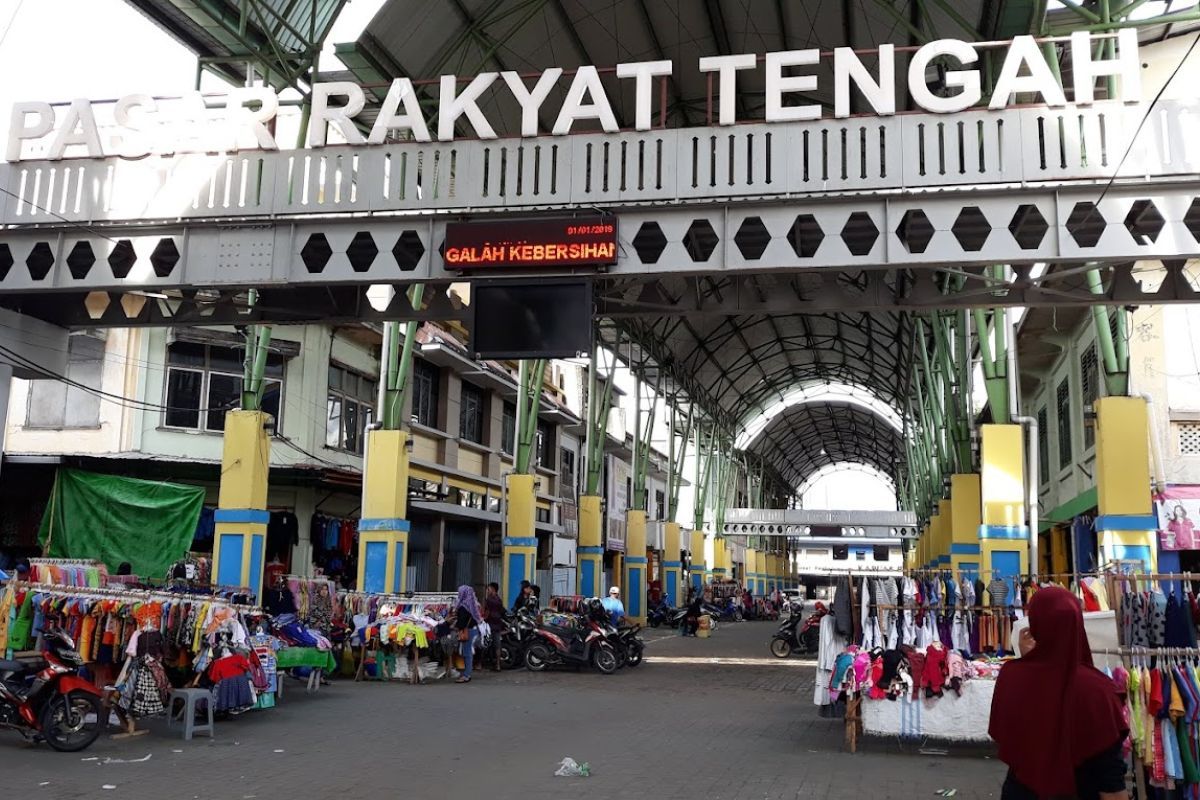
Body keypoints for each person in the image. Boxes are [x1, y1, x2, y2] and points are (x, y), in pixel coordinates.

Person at [989, 586, 1129, 800]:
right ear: (1078, 624)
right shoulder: (1099, 692)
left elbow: (1009, 737)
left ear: (1034, 624)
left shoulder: (1010, 677)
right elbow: (1110, 782)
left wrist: (1030, 659)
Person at [454, 585, 483, 683]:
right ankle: (467, 673)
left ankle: (466, 675)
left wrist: (455, 627)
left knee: (467, 653)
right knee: (468, 652)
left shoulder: (463, 607)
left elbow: (462, 622)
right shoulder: (473, 604)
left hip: (468, 631)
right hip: (474, 630)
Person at [483, 582, 505, 672]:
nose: (487, 591)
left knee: (486, 644)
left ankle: (481, 663)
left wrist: (484, 619)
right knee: (497, 645)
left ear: (492, 589)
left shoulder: (489, 600)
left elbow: (486, 611)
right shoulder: (499, 600)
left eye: (488, 589)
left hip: (490, 624)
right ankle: (498, 665)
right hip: (498, 624)